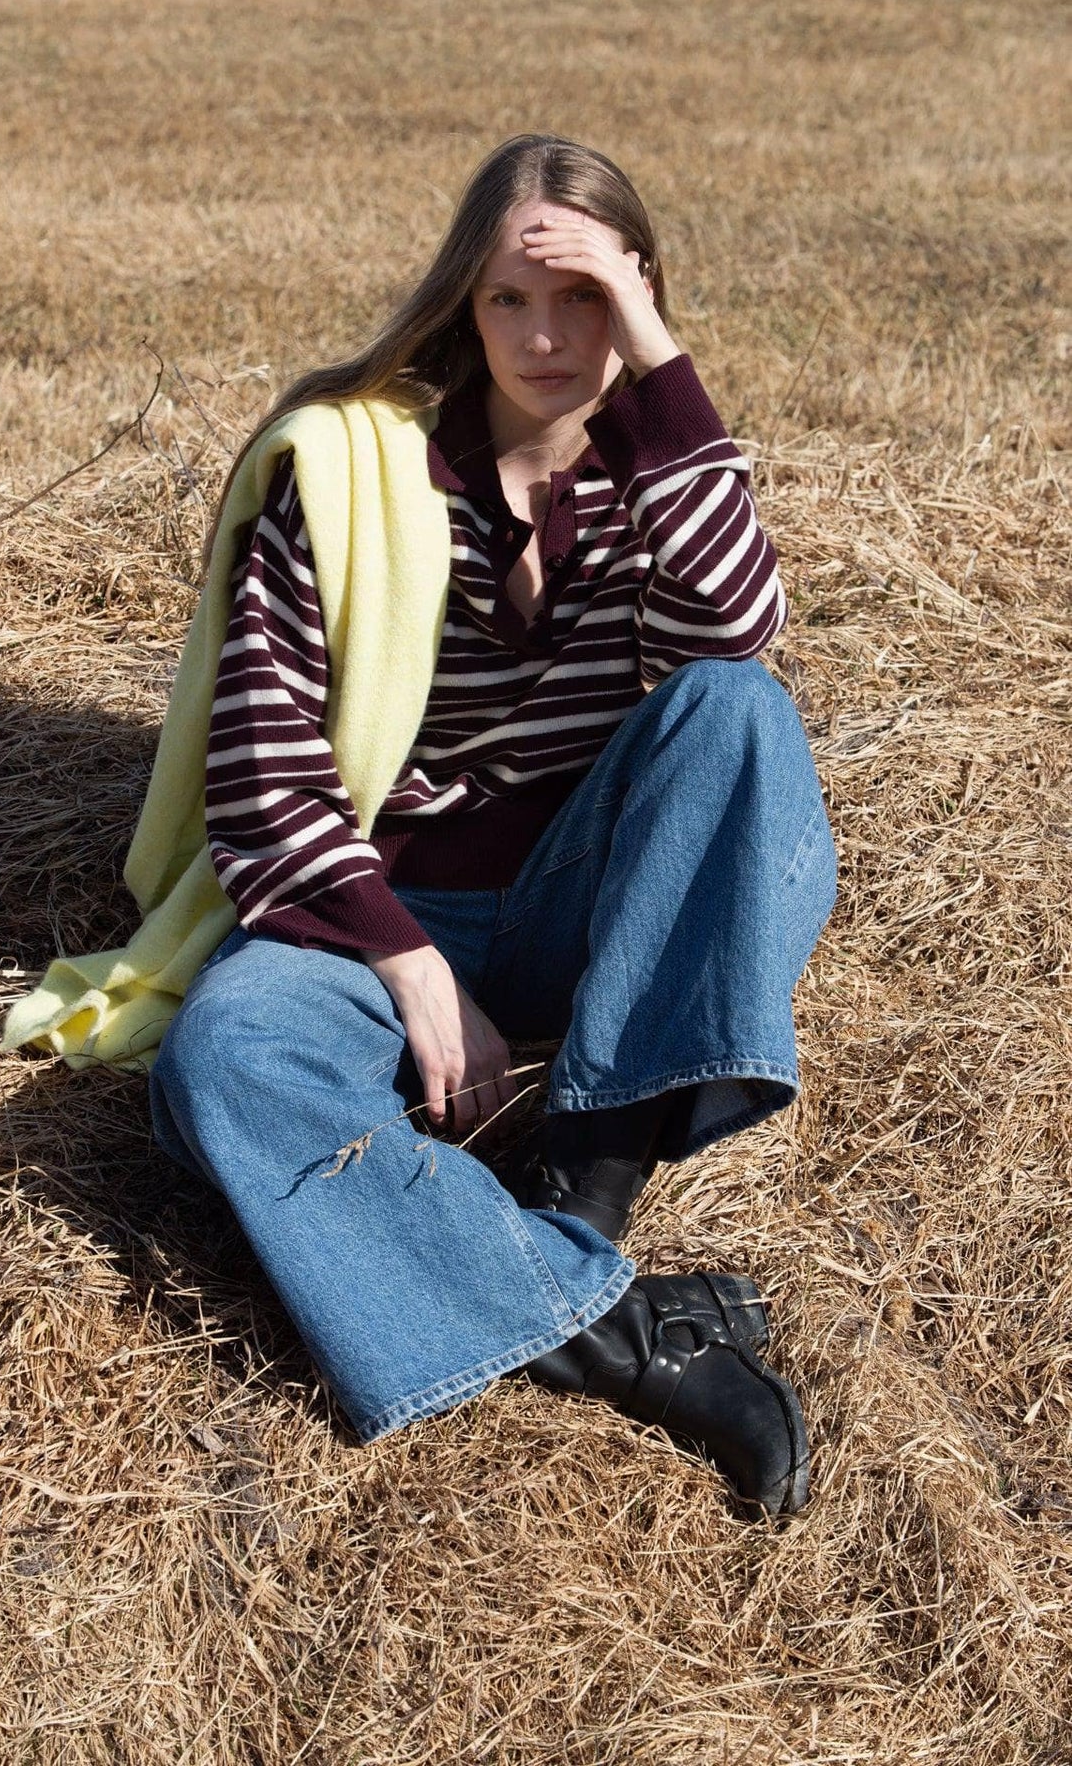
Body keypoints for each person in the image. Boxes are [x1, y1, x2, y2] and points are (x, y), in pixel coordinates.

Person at [149, 134, 837, 1518]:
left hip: (594, 910)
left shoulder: (657, 469)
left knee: (738, 711)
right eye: (509, 299)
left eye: (581, 298)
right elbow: (266, 777)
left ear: (636, 296)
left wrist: (657, 360)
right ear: (462, 304)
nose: (544, 338)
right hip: (375, 913)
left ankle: (589, 1185)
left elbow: (735, 624)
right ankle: (625, 1329)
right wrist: (410, 965)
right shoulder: (348, 472)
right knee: (223, 1060)